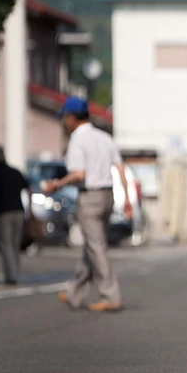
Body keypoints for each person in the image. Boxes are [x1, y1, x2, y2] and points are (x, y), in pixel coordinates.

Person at [43, 97, 132, 312]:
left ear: (71, 118)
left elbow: (79, 174)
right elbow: (120, 167)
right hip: (107, 195)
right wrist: (127, 198)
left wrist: (57, 184)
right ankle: (75, 292)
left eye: (65, 118)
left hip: (89, 196)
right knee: (93, 244)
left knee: (96, 246)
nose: (64, 122)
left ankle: (110, 296)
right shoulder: (105, 137)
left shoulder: (77, 140)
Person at [0, 145, 30, 284]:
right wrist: (31, 210)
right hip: (18, 211)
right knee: (15, 244)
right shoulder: (15, 172)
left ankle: (11, 276)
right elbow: (28, 189)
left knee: (6, 244)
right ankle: (15, 273)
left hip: (3, 212)